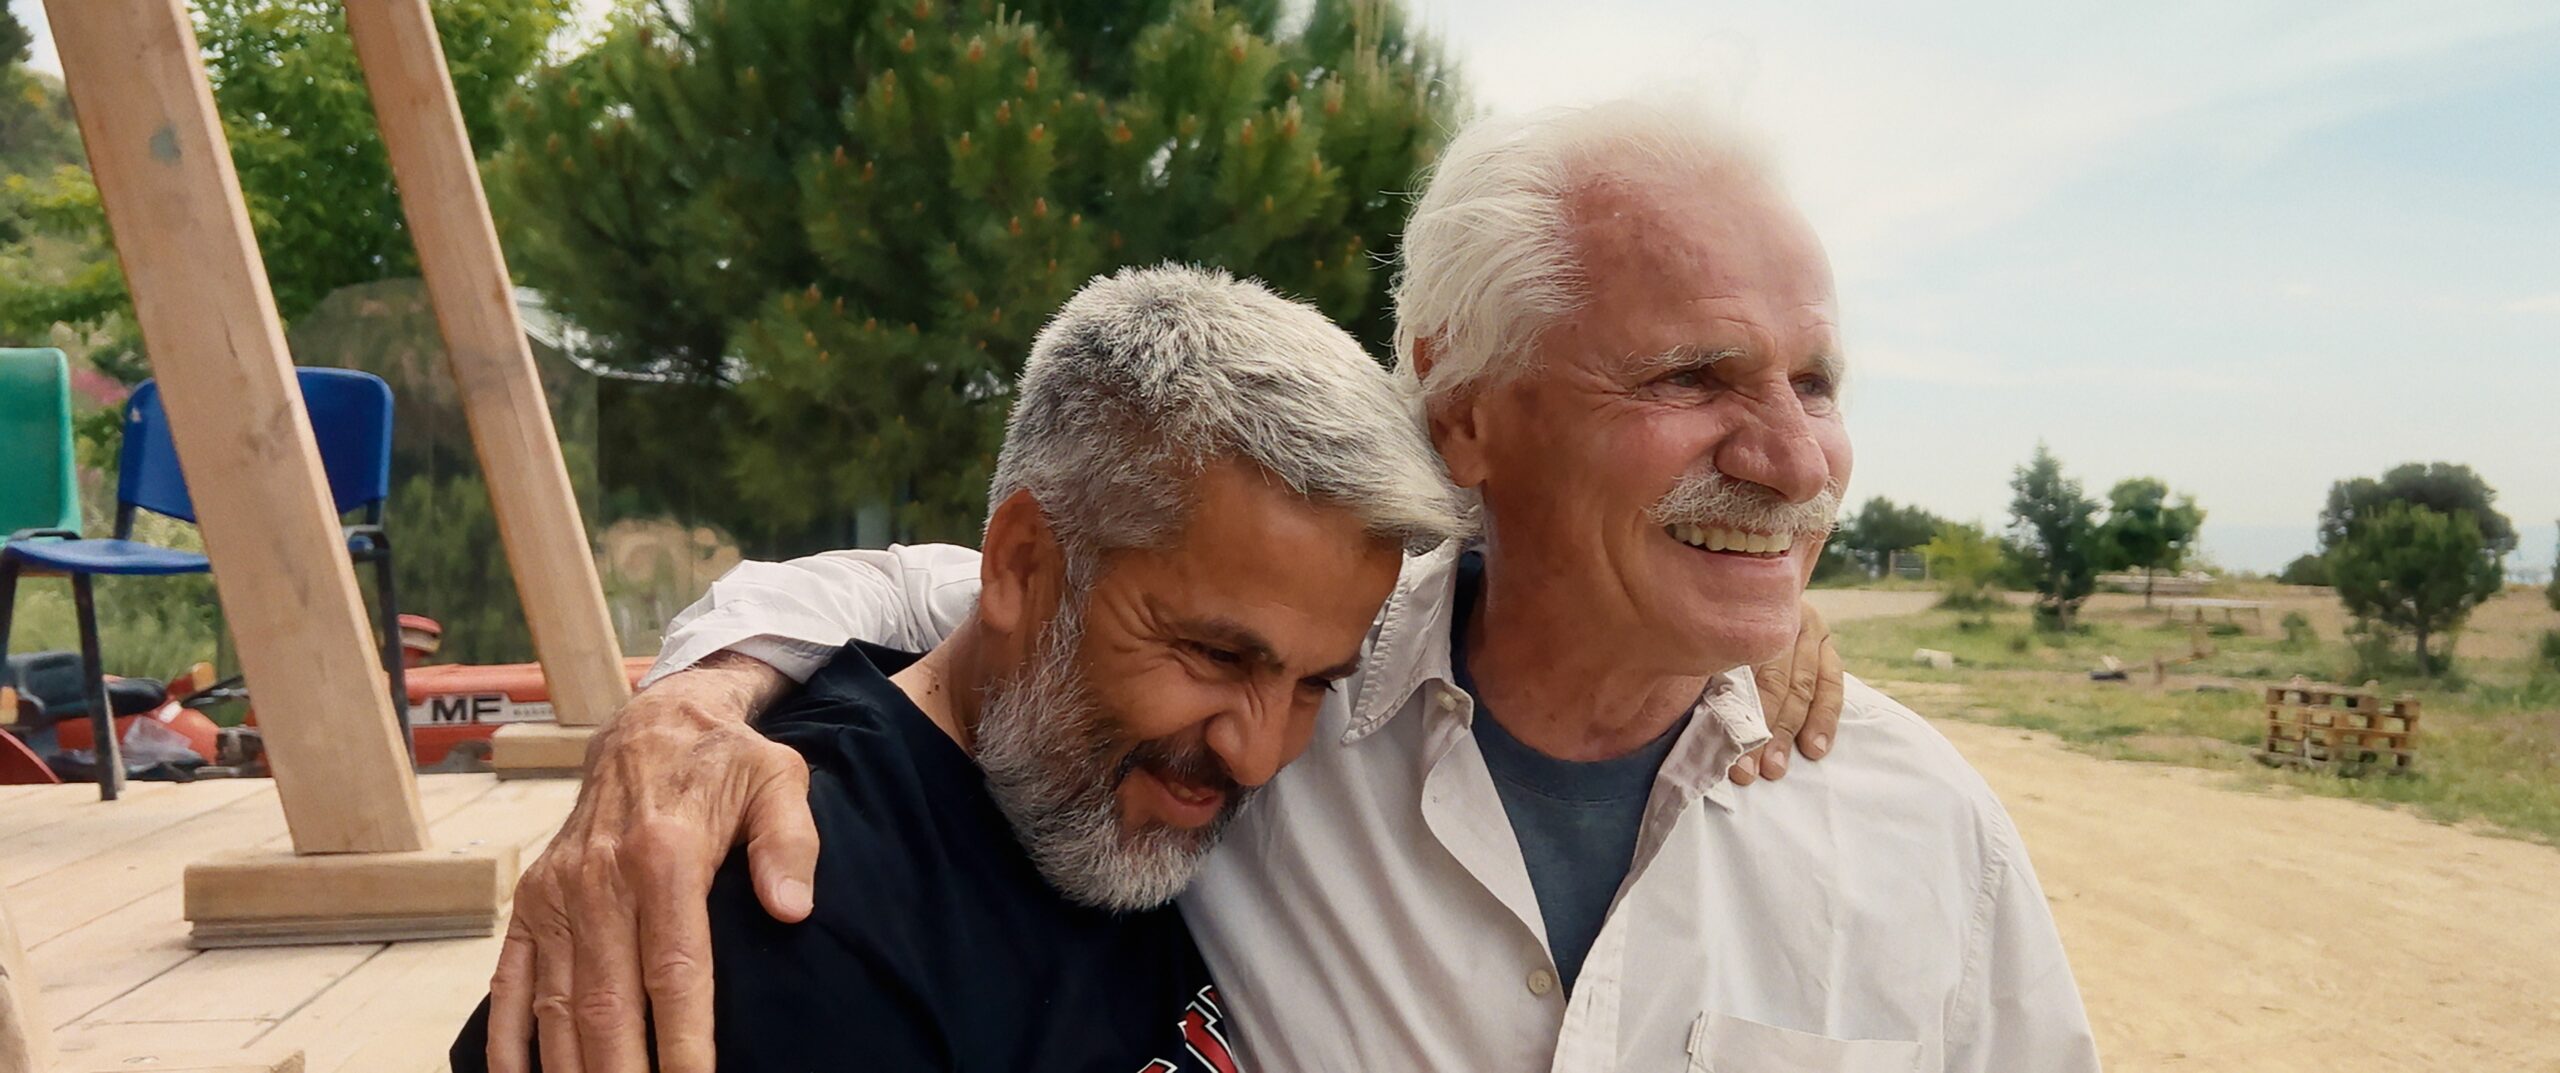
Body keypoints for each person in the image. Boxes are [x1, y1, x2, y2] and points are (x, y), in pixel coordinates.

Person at [489, 98, 2103, 1072]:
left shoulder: (1922, 825)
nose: (1795, 456)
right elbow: (946, 598)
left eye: (1818, 383)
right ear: (1461, 408)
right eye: (1695, 374)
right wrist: (687, 710)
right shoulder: (1307, 677)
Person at [453, 264, 1467, 1069]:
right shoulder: (787, 917)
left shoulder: (1095, 806)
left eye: (1311, 684)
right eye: (1211, 652)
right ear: (1022, 563)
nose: (1257, 752)